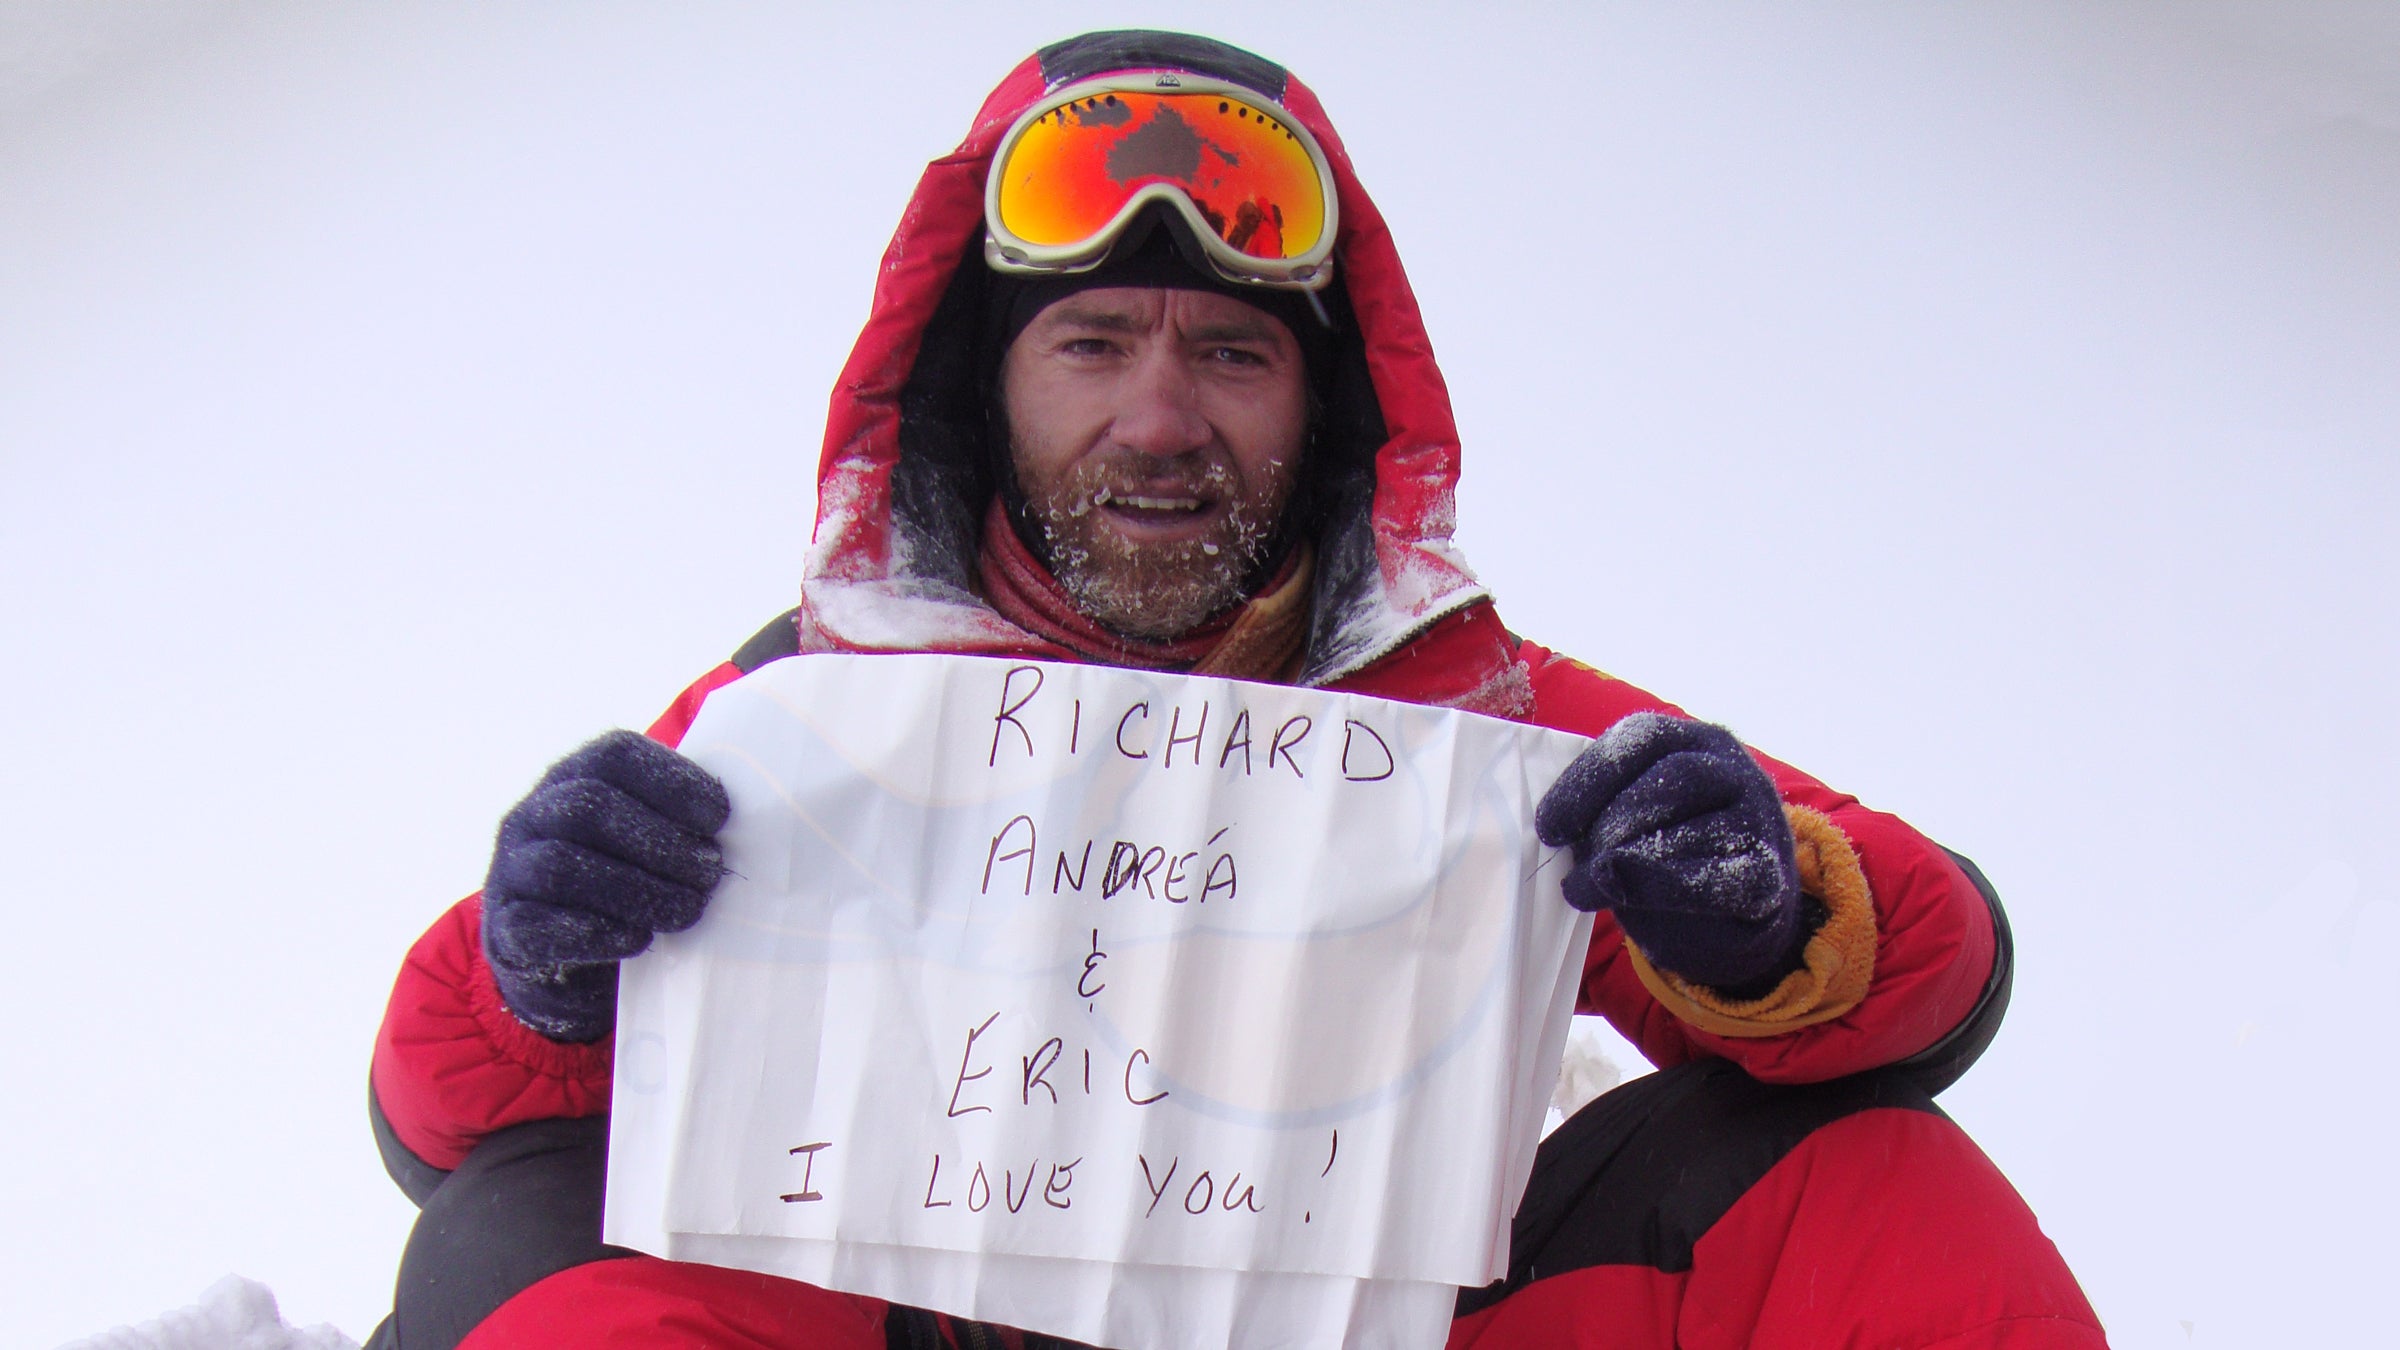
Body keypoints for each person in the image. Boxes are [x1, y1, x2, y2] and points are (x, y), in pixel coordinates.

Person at [365, 30, 2104, 1350]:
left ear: (1326, 408)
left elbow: (1934, 964)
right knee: (520, 1235)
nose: (1161, 418)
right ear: (989, 388)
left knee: (1862, 1179)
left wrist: (1767, 915)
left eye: (1234, 351)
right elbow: (445, 1118)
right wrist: (546, 975)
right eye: (1095, 342)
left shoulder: (1470, 718)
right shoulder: (817, 710)